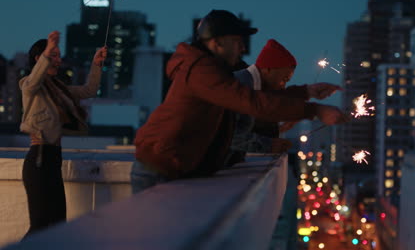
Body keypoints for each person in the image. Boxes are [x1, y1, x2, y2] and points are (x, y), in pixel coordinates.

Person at [131, 10, 348, 193]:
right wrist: (314, 110)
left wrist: (306, 92)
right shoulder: (201, 71)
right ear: (216, 43)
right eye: (237, 42)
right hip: (159, 167)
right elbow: (251, 101)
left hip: (172, 165)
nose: (243, 48)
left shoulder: (214, 70)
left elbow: (258, 99)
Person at [19, 31, 107, 236]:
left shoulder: (59, 89)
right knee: (40, 226)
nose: (59, 60)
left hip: (53, 158)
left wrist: (96, 64)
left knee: (58, 225)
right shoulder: (28, 85)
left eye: (59, 55)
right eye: (54, 55)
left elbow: (88, 91)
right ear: (40, 58)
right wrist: (47, 52)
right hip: (39, 159)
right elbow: (33, 82)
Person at [226, 39, 342, 165]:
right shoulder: (243, 85)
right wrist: (269, 145)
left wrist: (307, 92)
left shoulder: (252, 84)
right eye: (284, 79)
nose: (283, 85)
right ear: (268, 69)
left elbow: (271, 98)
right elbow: (231, 136)